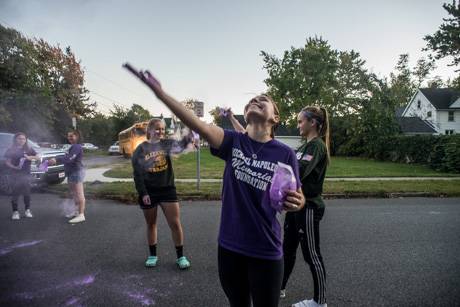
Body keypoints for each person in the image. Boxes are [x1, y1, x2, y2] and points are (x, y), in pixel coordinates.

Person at [124, 63, 305, 307]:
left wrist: (298, 202)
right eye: (252, 99)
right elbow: (200, 126)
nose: (256, 100)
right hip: (230, 248)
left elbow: (298, 196)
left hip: (266, 249)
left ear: (275, 117)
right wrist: (161, 94)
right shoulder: (233, 141)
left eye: (263, 99)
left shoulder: (285, 154)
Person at [281, 106, 330, 307]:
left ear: (312, 123)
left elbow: (298, 172)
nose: (298, 125)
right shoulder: (303, 147)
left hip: (308, 207)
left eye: (301, 121)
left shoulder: (316, 146)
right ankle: (279, 287)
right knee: (287, 249)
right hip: (295, 207)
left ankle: (320, 302)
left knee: (311, 255)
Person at [132, 118, 192, 269]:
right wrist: (143, 193)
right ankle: (152, 255)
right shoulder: (140, 149)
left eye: (163, 129)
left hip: (167, 189)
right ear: (150, 130)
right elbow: (137, 174)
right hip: (149, 192)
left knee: (175, 223)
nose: (160, 132)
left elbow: (182, 145)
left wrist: (191, 128)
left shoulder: (166, 144)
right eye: (157, 129)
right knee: (151, 224)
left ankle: (181, 257)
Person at [4, 132, 39, 220]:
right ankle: (15, 212)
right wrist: (15, 167)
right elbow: (7, 162)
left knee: (27, 193)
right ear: (16, 139)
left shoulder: (29, 149)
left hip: (26, 175)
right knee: (15, 193)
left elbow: (38, 157)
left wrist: (30, 158)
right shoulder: (11, 149)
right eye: (19, 138)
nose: (21, 140)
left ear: (26, 140)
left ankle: (27, 210)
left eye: (23, 139)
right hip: (14, 174)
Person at [62, 130, 86, 224]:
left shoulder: (77, 146)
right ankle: (76, 212)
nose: (70, 138)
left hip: (76, 172)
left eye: (72, 136)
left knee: (79, 194)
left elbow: (69, 159)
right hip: (71, 173)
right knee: (74, 194)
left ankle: (81, 215)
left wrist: (57, 159)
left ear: (77, 137)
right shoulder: (72, 146)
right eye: (68, 136)